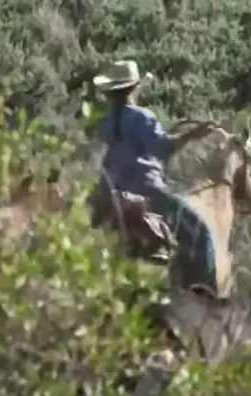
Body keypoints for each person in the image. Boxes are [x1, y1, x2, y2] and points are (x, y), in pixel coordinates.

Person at [91, 60, 220, 292]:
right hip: (147, 191)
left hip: (110, 190)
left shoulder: (103, 120)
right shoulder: (142, 117)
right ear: (135, 89)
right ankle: (205, 299)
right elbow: (165, 148)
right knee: (202, 234)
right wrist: (194, 134)